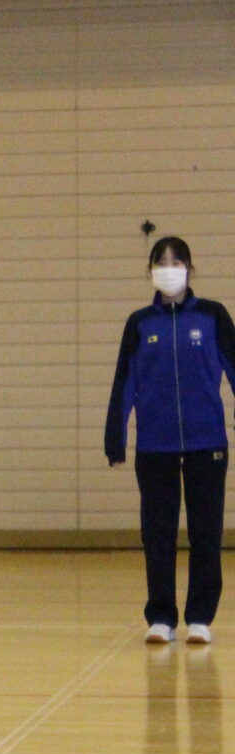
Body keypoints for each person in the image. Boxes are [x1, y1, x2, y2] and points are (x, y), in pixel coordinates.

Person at [106, 235, 235, 646]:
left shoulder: (214, 317)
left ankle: (200, 617)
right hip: (155, 447)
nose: (168, 266)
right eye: (160, 260)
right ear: (150, 270)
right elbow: (123, 383)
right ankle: (161, 617)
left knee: (206, 532)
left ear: (190, 268)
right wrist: (115, 434)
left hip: (206, 443)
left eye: (176, 260)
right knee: (158, 533)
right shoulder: (140, 323)